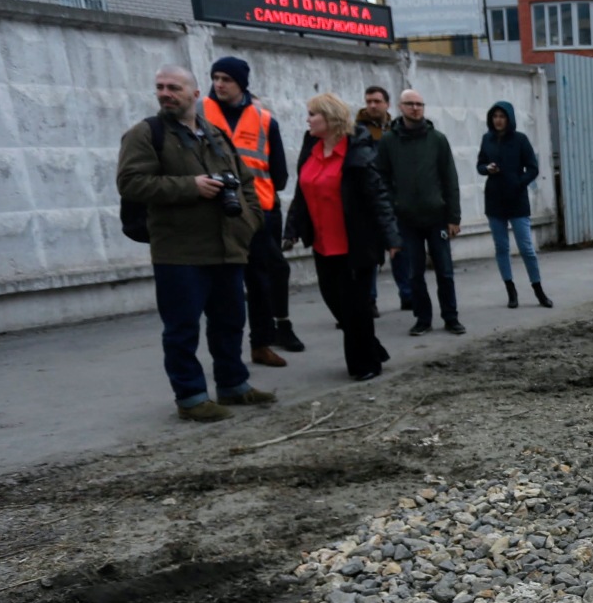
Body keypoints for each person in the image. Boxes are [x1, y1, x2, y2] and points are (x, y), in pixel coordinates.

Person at [116, 65, 273, 421]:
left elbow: (245, 182)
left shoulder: (215, 134)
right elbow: (131, 183)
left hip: (227, 248)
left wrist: (250, 221)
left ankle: (233, 384)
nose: (165, 94)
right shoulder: (146, 133)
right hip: (179, 252)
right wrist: (192, 186)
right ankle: (191, 397)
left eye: (174, 87)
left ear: (195, 93)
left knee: (230, 322)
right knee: (182, 329)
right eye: (160, 87)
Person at [283, 93, 400, 380]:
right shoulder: (311, 146)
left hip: (355, 244)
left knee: (356, 307)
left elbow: (378, 197)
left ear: (331, 119)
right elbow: (302, 192)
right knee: (336, 303)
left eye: (313, 114)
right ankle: (372, 349)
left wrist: (392, 238)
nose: (307, 120)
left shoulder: (357, 151)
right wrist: (292, 230)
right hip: (323, 244)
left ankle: (364, 365)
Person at [203, 57, 297, 370]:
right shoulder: (199, 112)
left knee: (260, 282)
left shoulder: (265, 120)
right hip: (214, 211)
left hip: (257, 212)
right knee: (222, 287)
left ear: (241, 84)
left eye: (226, 79)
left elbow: (279, 173)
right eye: (216, 77)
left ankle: (262, 344)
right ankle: (227, 355)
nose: (219, 84)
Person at [375, 88, 464, 337]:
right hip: (406, 220)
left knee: (444, 271)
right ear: (400, 107)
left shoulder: (437, 140)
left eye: (419, 104)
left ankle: (451, 317)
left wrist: (453, 217)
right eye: (410, 104)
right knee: (414, 273)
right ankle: (422, 319)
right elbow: (382, 178)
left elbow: (450, 179)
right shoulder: (389, 142)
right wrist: (393, 207)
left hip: (437, 217)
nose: (415, 108)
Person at [477, 102, 551, 309]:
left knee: (526, 248)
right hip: (494, 200)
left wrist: (518, 182)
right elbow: (480, 165)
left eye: (502, 116)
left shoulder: (520, 140)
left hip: (517, 200)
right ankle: (511, 290)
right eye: (495, 116)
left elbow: (533, 168)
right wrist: (487, 168)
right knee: (501, 247)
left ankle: (538, 289)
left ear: (509, 119)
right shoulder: (487, 139)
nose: (498, 120)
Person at [358, 84, 405, 317]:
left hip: (395, 196)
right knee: (370, 254)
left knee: (399, 248)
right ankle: (369, 300)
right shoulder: (358, 130)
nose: (372, 105)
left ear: (387, 104)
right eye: (369, 101)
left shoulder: (395, 129)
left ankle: (407, 294)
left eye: (377, 101)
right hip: (369, 198)